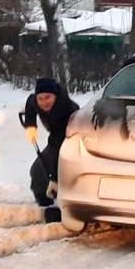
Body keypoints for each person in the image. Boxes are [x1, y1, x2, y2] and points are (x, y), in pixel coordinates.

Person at [23, 77, 79, 208]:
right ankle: (44, 204)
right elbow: (30, 103)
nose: (44, 102)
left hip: (73, 139)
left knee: (44, 170)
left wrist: (54, 179)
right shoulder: (35, 101)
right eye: (40, 98)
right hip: (56, 136)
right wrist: (30, 126)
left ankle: (70, 203)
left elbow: (58, 146)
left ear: (55, 96)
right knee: (38, 172)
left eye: (48, 97)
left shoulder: (67, 111)